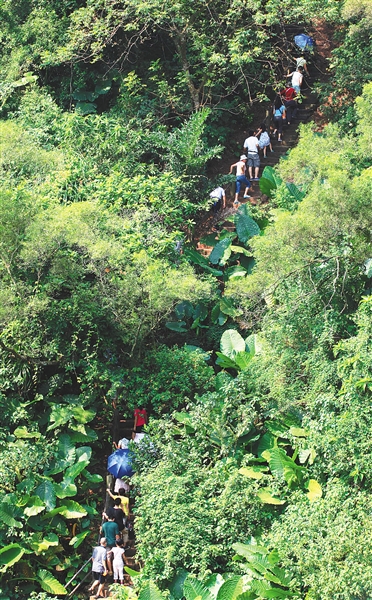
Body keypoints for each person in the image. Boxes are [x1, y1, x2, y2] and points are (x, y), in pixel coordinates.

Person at [101, 509, 120, 574]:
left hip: (107, 543)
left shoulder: (104, 525)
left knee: (108, 557)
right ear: (113, 519)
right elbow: (117, 535)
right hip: (114, 543)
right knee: (115, 556)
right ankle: (116, 570)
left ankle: (110, 570)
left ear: (107, 518)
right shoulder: (115, 525)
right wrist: (118, 543)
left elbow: (101, 532)